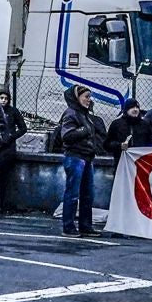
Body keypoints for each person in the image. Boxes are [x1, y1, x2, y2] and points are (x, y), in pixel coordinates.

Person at [57, 86, 106, 236]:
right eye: (86, 96)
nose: (88, 99)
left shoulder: (84, 114)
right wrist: (84, 130)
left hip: (86, 157)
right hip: (75, 157)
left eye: (89, 96)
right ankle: (69, 226)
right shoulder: (71, 114)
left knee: (87, 194)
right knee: (73, 193)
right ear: (77, 97)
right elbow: (67, 136)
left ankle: (85, 226)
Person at [103, 100, 150, 165]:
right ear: (126, 109)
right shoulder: (116, 124)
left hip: (141, 164)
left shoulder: (145, 125)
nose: (135, 109)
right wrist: (120, 146)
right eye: (132, 107)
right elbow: (107, 145)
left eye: (137, 107)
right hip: (121, 164)